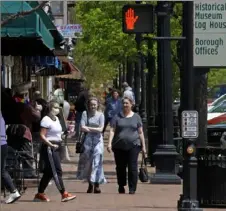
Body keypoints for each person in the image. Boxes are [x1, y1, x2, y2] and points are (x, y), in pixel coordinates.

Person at [34, 100, 76, 202]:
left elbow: (58, 133)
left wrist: (66, 134)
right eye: (55, 107)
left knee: (49, 172)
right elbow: (42, 135)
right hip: (49, 147)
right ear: (49, 108)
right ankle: (64, 193)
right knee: (57, 171)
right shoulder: (46, 120)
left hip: (57, 146)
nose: (57, 110)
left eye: (58, 108)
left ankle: (40, 193)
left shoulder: (56, 119)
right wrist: (50, 144)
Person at [107, 96, 147, 194]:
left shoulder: (136, 117)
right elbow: (112, 130)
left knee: (132, 167)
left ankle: (132, 188)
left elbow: (140, 132)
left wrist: (144, 146)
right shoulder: (117, 116)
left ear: (131, 104)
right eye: (123, 103)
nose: (125, 105)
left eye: (127, 103)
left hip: (134, 145)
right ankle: (121, 185)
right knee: (120, 167)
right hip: (119, 146)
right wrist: (109, 143)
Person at [76, 97, 106, 193]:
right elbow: (82, 127)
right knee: (88, 163)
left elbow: (101, 129)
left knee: (97, 160)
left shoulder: (101, 115)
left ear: (97, 105)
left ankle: (97, 184)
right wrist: (94, 129)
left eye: (94, 104)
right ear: (88, 105)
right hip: (88, 140)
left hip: (98, 140)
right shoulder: (85, 114)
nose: (93, 106)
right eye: (91, 104)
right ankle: (90, 184)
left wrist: (89, 128)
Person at [1, 112, 21, 204]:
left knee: (1, 171)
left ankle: (13, 191)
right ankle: (13, 191)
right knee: (2, 170)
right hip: (3, 144)